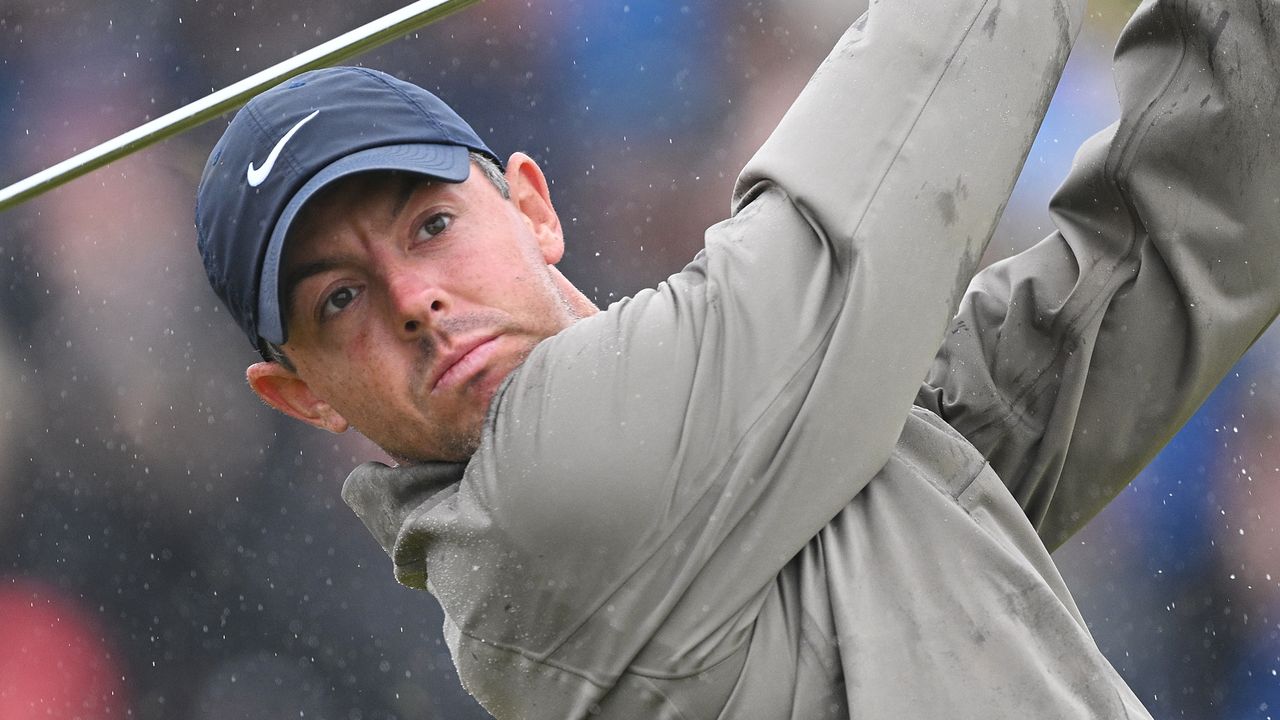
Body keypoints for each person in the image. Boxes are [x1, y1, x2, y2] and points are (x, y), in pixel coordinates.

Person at [194, 0, 1280, 717]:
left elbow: (1168, 250)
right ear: (299, 398)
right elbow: (896, 157)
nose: (414, 301)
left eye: (430, 225)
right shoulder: (545, 507)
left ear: (531, 205)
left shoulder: (781, 451)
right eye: (339, 299)